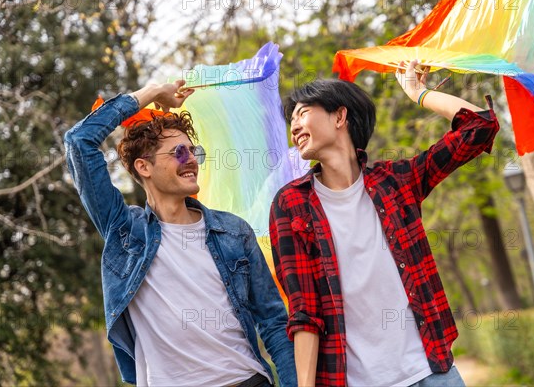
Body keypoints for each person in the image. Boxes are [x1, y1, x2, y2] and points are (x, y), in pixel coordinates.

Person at [269, 60, 500, 386]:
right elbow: (305, 312)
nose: (294, 126)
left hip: (433, 373)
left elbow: (479, 127)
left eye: (302, 112)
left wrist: (419, 93)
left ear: (339, 116)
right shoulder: (290, 204)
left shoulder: (396, 181)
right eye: (291, 119)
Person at [64, 80, 296, 386]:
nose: (191, 161)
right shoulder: (126, 233)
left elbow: (274, 323)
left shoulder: (233, 232)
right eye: (177, 152)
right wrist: (152, 92)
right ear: (143, 167)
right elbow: (79, 141)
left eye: (192, 151)